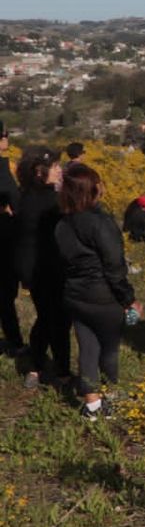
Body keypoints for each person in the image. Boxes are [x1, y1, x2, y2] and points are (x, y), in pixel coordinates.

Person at [55, 163, 140, 419]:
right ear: (92, 189)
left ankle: (92, 405)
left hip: (75, 295)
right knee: (110, 348)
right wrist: (129, 299)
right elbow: (114, 267)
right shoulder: (100, 223)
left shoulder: (62, 224)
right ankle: (109, 394)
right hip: (104, 297)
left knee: (87, 348)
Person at [15, 145, 69, 389]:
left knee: (46, 317)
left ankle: (40, 367)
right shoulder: (52, 201)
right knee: (57, 319)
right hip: (51, 269)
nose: (60, 170)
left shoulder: (23, 196)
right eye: (55, 166)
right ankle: (57, 369)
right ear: (40, 171)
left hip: (33, 270)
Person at [0, 123, 22, 356]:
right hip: (4, 237)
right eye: (6, 135)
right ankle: (15, 342)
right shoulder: (4, 168)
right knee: (6, 294)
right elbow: (16, 202)